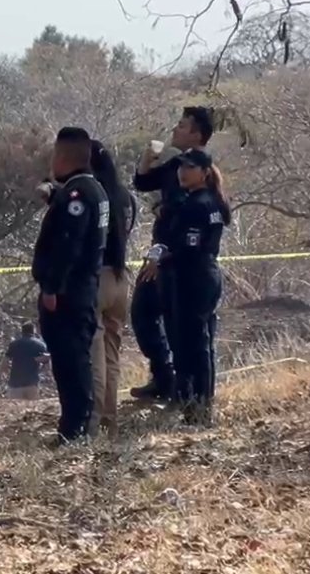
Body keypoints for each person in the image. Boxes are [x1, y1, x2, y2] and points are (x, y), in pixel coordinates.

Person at [129, 106, 216, 403]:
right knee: (145, 315)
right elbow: (142, 183)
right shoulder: (175, 165)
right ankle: (165, 377)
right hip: (161, 254)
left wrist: (162, 251)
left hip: (178, 261)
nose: (174, 130)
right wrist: (147, 157)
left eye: (181, 126)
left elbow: (185, 219)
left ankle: (187, 392)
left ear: (196, 134)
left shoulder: (200, 173)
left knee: (183, 329)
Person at [31, 127, 108, 444]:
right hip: (84, 287)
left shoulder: (78, 196)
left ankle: (74, 429)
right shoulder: (94, 190)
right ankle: (76, 425)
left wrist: (52, 287)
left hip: (69, 293)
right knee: (74, 358)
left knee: (70, 360)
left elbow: (68, 245)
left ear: (63, 157)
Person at [145, 148, 230, 425]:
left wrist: (163, 256)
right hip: (198, 274)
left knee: (193, 344)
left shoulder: (200, 203)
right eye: (181, 167)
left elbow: (189, 247)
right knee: (193, 342)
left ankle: (199, 407)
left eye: (189, 167)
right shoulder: (200, 200)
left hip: (194, 275)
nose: (183, 172)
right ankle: (193, 403)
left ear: (204, 172)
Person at [89, 139, 136, 436]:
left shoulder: (92, 195)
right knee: (112, 354)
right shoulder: (125, 198)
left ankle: (92, 420)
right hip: (121, 277)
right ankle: (111, 418)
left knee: (94, 354)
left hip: (97, 278)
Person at [5, 322, 48, 400]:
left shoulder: (14, 344)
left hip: (15, 384)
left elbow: (6, 361)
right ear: (33, 331)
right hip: (32, 383)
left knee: (15, 409)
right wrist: (41, 374)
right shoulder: (40, 345)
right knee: (32, 409)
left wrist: (3, 374)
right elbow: (47, 362)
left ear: (22, 331)